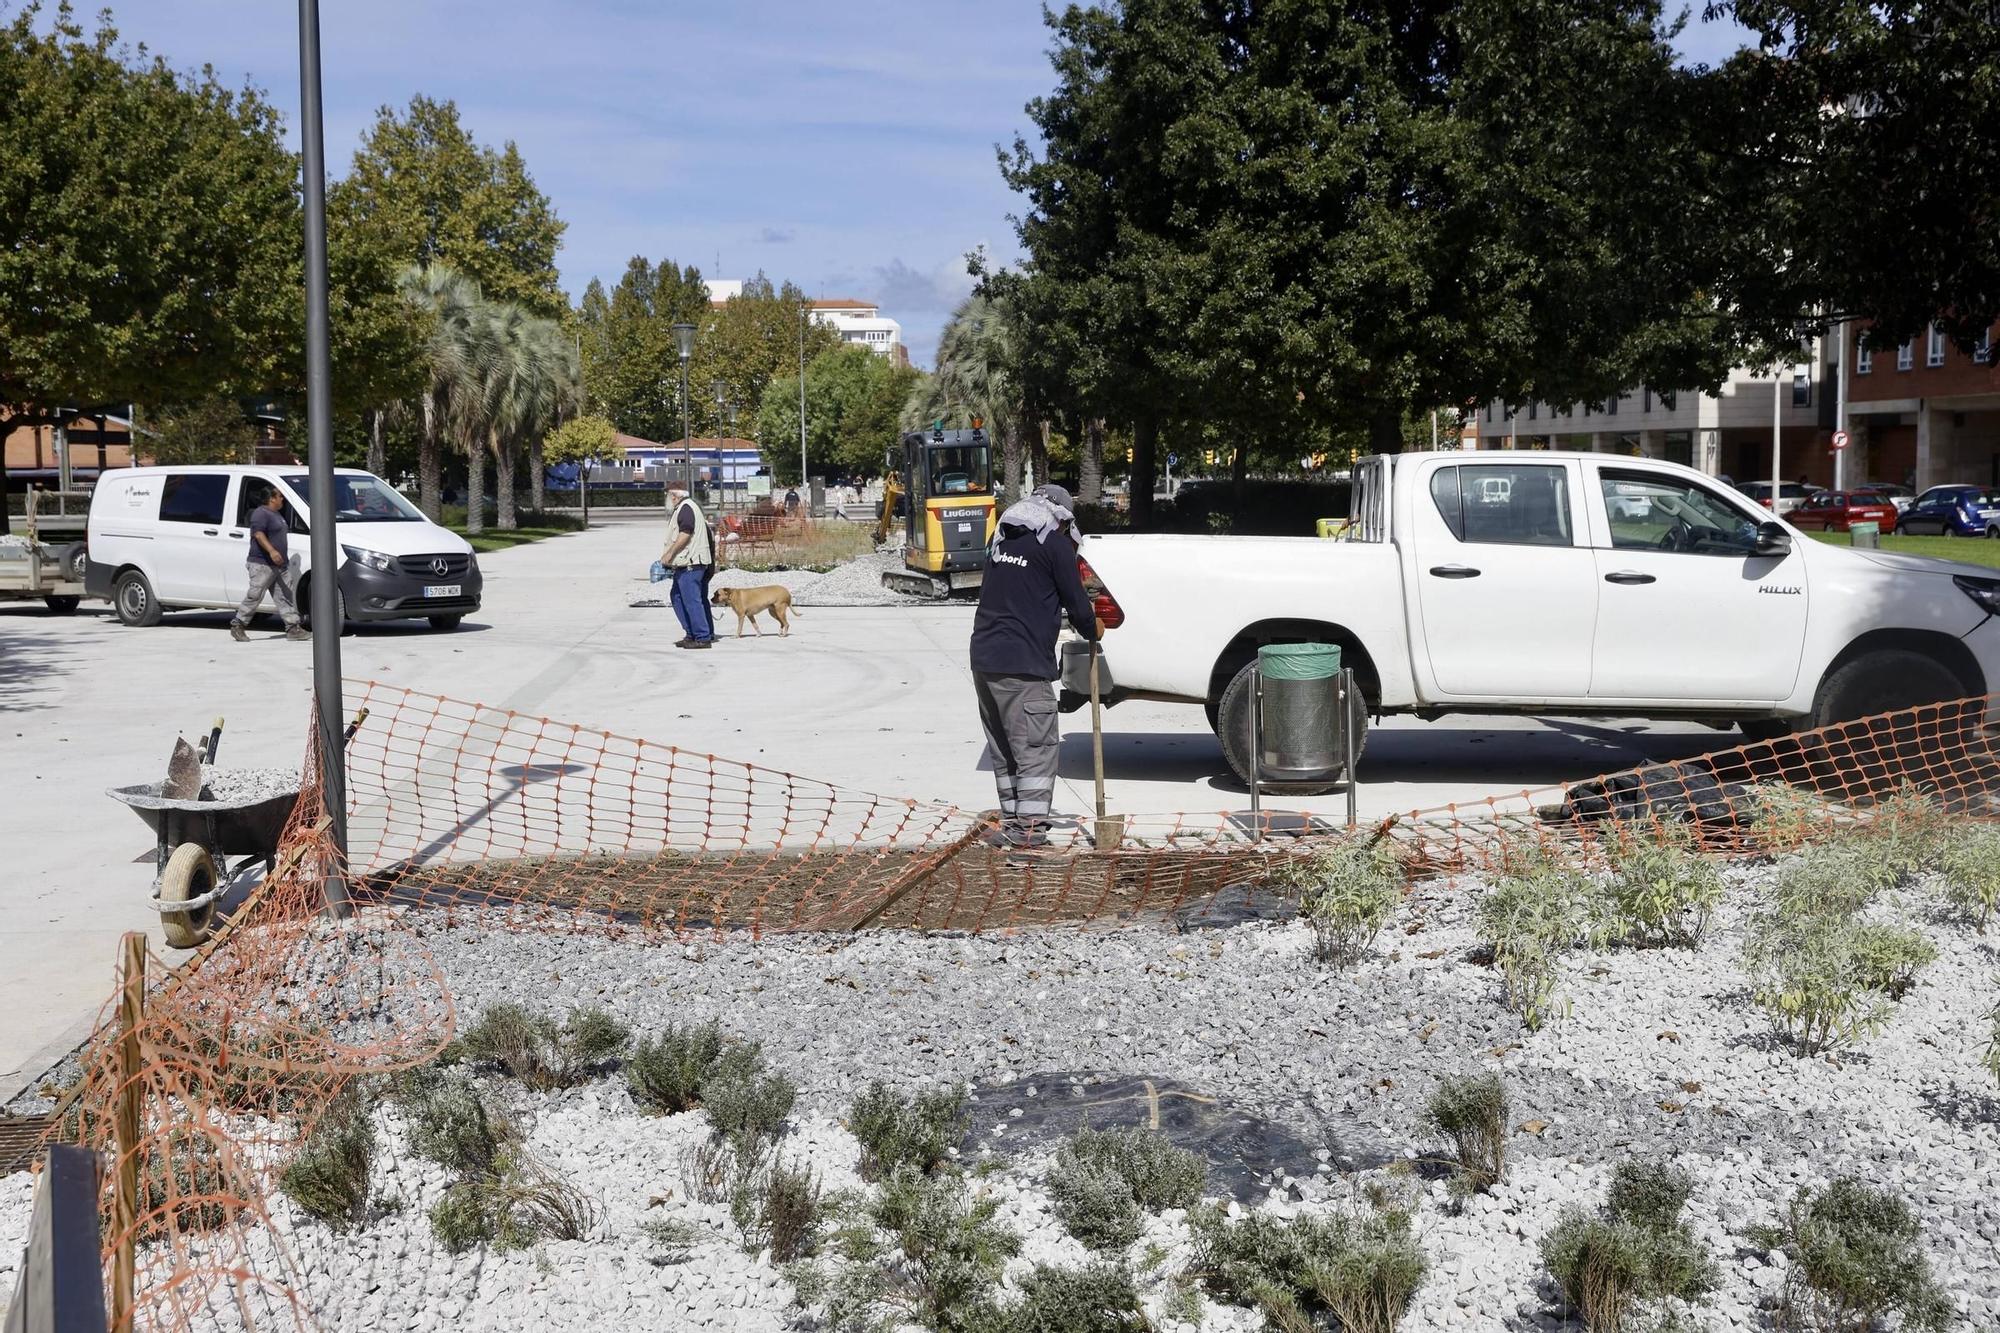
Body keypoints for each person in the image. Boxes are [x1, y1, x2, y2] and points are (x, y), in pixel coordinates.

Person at [969, 482, 1098, 850]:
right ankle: (1029, 840)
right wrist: (1095, 626)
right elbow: (1079, 610)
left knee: (1006, 751)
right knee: (1036, 752)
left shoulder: (1000, 541)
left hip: (985, 660)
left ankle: (1014, 825)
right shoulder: (1054, 545)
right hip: (1023, 666)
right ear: (1060, 517)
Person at [230, 487, 309, 642]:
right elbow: (258, 534)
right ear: (272, 498)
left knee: (285, 596)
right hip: (262, 564)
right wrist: (272, 551)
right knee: (255, 595)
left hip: (280, 565)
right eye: (280, 496)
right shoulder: (261, 513)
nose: (282, 499)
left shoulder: (276, 514)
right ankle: (238, 625)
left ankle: (293, 628)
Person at [661, 482, 716, 649]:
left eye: (668, 494)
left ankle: (701, 637)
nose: (667, 498)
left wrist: (670, 553)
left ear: (674, 495)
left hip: (690, 563)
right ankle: (697, 633)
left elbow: (685, 533)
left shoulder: (685, 508)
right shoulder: (688, 507)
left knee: (690, 600)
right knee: (681, 597)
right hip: (694, 562)